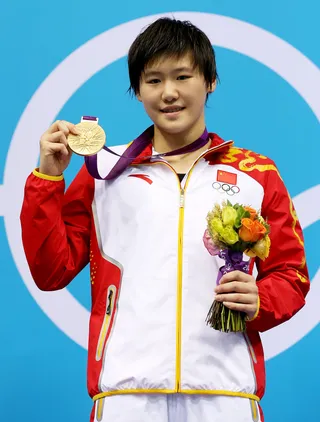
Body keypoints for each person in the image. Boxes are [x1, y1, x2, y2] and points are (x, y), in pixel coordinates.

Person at [20, 17, 310, 422]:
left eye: (182, 76)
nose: (169, 93)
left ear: (210, 81)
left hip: (226, 393)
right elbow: (50, 270)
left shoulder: (256, 174)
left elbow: (291, 275)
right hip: (126, 395)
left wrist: (261, 299)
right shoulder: (103, 171)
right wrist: (48, 177)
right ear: (137, 90)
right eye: (153, 80)